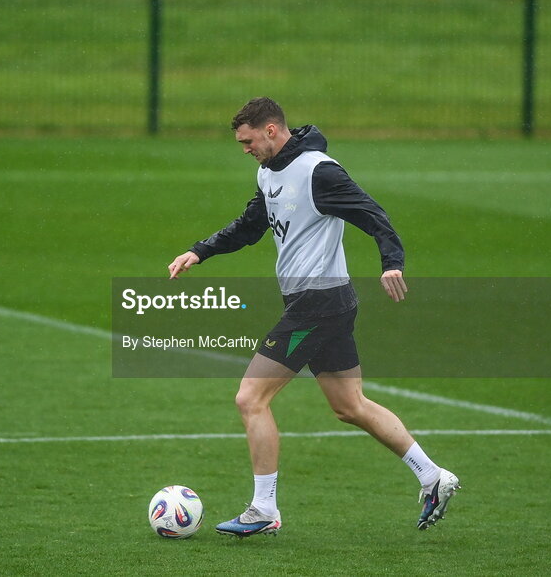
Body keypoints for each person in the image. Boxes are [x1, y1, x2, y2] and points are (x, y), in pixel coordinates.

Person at [167, 97, 459, 536]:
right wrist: (200, 250)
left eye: (247, 141)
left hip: (318, 305)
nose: (244, 149)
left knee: (250, 398)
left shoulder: (318, 170)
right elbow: (251, 225)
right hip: (324, 302)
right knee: (350, 406)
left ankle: (264, 509)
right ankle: (433, 475)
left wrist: (391, 262)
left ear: (270, 130)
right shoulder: (268, 171)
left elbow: (372, 213)